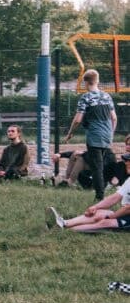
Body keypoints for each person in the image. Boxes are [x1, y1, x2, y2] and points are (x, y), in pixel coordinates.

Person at [64, 69, 117, 201]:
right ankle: (101, 189)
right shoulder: (107, 96)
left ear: (85, 82)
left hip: (94, 136)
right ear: (97, 81)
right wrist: (111, 133)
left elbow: (77, 119)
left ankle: (99, 197)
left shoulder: (85, 98)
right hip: (107, 135)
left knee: (97, 167)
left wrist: (70, 133)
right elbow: (114, 118)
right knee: (100, 164)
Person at [46, 154, 130, 232]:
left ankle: (65, 231)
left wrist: (111, 217)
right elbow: (115, 197)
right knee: (98, 213)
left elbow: (128, 208)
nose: (125, 163)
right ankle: (63, 223)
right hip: (126, 213)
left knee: (105, 223)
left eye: (127, 161)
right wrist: (96, 207)